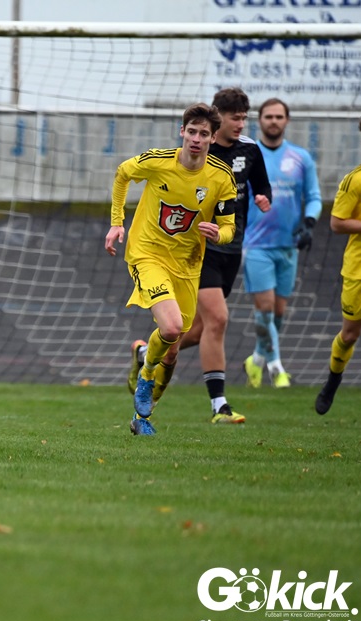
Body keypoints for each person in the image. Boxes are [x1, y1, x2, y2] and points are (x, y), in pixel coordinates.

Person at [135, 88, 272, 425]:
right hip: (197, 250)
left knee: (190, 331)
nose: (240, 124)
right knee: (218, 319)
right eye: (235, 118)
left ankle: (146, 353)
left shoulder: (249, 150)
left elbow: (261, 185)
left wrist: (263, 198)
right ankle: (218, 404)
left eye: (244, 118)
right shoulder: (194, 153)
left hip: (231, 246)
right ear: (217, 119)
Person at [107, 103, 237, 436]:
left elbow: (229, 226)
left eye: (203, 134)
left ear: (212, 138)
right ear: (182, 131)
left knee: (173, 349)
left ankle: (142, 415)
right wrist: (117, 223)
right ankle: (146, 375)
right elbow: (122, 173)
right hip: (148, 254)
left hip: (188, 265)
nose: (196, 139)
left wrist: (218, 234)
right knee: (172, 327)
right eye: (191, 131)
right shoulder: (158, 161)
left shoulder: (221, 177)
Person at [242, 98, 322, 389]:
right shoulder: (248, 156)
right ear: (259, 120)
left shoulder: (301, 157)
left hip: (289, 246)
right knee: (264, 309)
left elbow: (314, 197)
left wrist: (309, 223)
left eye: (279, 116)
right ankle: (276, 369)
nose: (273, 121)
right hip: (255, 245)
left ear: (286, 120)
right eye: (268, 116)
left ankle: (256, 360)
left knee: (277, 313)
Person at [314, 111, 361, 415]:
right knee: (350, 335)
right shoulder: (356, 180)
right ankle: (333, 379)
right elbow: (337, 223)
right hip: (359, 269)